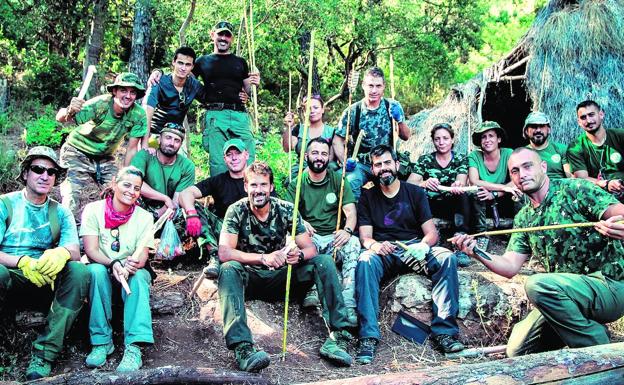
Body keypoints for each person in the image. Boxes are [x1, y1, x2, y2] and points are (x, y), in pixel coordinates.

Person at [453, 147, 624, 357]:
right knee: (517, 349)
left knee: (538, 285)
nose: (521, 174)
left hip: (610, 286)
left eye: (527, 166)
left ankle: (598, 348)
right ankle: (583, 329)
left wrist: (620, 226)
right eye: (514, 171)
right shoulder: (524, 217)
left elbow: (619, 213)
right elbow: (509, 266)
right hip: (567, 295)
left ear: (543, 167)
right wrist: (476, 252)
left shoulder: (577, 188)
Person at [218, 161, 353, 371]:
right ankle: (243, 348)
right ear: (245, 187)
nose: (258, 190)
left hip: (283, 278)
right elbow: (225, 252)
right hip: (251, 278)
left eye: (263, 185)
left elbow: (310, 250)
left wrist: (298, 256)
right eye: (253, 185)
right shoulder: (235, 211)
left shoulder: (287, 209)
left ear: (271, 187)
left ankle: (339, 336)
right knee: (228, 269)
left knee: (324, 262)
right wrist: (263, 258)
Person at [354, 144, 464, 365]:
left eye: (387, 163)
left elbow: (431, 233)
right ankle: (368, 337)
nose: (383, 168)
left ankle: (444, 332)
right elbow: (365, 237)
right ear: (373, 170)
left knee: (447, 258)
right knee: (365, 262)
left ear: (396, 164)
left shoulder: (414, 192)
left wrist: (423, 246)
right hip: (385, 252)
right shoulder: (367, 197)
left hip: (413, 248)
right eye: (377, 165)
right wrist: (375, 246)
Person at [0, 146, 89, 380]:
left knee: (79, 272)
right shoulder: (5, 204)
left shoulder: (60, 212)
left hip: (45, 279)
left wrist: (60, 254)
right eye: (38, 169)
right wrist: (21, 261)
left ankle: (44, 354)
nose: (45, 176)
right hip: (11, 276)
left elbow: (74, 251)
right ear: (26, 173)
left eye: (51, 172)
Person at [149, 21, 260, 175]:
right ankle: (222, 198)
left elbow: (248, 90)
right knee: (218, 162)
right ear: (212, 35)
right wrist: (158, 71)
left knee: (248, 159)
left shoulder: (240, 62)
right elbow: (182, 76)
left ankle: (248, 194)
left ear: (232, 39)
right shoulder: (202, 61)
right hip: (215, 115)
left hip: (239, 115)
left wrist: (253, 85)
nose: (223, 38)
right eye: (220, 34)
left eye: (227, 35)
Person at [80, 166, 155, 372]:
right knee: (94, 271)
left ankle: (134, 347)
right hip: (103, 267)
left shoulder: (144, 218)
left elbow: (143, 256)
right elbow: (91, 249)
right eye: (127, 185)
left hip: (129, 273)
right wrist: (113, 263)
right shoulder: (93, 210)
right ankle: (101, 341)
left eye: (137, 188)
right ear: (114, 183)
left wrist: (132, 264)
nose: (131, 191)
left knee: (140, 277)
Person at [284, 137, 360, 325]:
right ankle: (312, 290)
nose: (319, 157)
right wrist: (301, 222)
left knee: (354, 243)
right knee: (296, 243)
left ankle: (348, 302)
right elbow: (288, 215)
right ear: (307, 155)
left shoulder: (337, 180)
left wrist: (348, 230)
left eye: (324, 154)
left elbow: (350, 212)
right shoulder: (297, 183)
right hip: (312, 237)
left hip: (334, 237)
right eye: (315, 153)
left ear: (329, 157)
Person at [56, 72, 148, 220]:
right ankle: (67, 235)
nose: (128, 96)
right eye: (123, 90)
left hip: (106, 157)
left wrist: (127, 176)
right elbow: (61, 118)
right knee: (72, 197)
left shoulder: (138, 114)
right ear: (114, 91)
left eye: (132, 92)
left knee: (119, 192)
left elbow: (131, 149)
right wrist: (69, 110)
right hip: (77, 151)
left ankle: (112, 232)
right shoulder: (101, 104)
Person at [333, 67, 411, 200]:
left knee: (399, 187)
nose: (374, 90)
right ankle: (355, 218)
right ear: (363, 86)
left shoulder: (392, 106)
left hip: (386, 162)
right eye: (370, 85)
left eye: (378, 86)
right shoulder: (352, 111)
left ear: (383, 87)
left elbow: (406, 136)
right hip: (362, 163)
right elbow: (337, 140)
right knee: (349, 182)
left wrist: (399, 120)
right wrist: (345, 161)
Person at [179, 138, 252, 278]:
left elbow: (275, 205)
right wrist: (191, 213)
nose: (234, 157)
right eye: (229, 154)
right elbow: (185, 194)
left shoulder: (257, 180)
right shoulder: (218, 181)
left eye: (238, 153)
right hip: (223, 234)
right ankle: (214, 257)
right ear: (224, 159)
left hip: (250, 233)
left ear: (246, 155)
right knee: (193, 206)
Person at [468, 121, 522, 251]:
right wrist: (502, 187)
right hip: (484, 200)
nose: (487, 140)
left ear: (498, 139)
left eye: (491, 136)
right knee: (476, 192)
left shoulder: (509, 153)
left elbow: (517, 179)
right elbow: (474, 181)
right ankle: (482, 235)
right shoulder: (475, 156)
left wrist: (495, 193)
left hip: (505, 198)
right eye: (483, 137)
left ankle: (520, 233)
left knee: (521, 191)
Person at [409, 123, 471, 235]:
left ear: (452, 140)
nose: (441, 142)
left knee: (463, 194)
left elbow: (461, 180)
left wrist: (458, 185)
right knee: (417, 193)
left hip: (452, 205)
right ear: (433, 141)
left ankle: (460, 234)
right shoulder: (425, 159)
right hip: (429, 205)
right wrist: (424, 183)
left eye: (445, 138)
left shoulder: (461, 158)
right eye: (437, 139)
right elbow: (410, 183)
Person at [131, 122, 195, 220]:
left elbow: (177, 199)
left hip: (167, 209)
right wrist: (164, 198)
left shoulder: (187, 166)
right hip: (141, 205)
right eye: (168, 137)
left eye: (177, 140)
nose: (171, 143)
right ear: (159, 139)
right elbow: (134, 182)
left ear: (181, 144)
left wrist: (161, 212)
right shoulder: (144, 155)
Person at [143, 46, 203, 145]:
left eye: (187, 65)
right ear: (173, 62)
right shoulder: (158, 82)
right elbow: (146, 114)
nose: (183, 68)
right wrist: (144, 145)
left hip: (176, 135)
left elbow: (211, 98)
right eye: (180, 63)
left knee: (182, 159)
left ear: (192, 67)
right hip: (155, 134)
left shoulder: (194, 85)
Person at [567, 100, 624, 198]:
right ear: (579, 122)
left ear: (601, 114)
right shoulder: (575, 147)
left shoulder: (620, 136)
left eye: (591, 115)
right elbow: (582, 178)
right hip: (598, 195)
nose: (588, 121)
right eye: (583, 117)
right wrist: (606, 184)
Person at [282, 94, 336, 182]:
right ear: (304, 112)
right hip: (301, 167)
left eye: (316, 107)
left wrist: (310, 170)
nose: (312, 111)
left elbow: (331, 157)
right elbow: (287, 148)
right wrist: (288, 127)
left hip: (324, 166)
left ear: (322, 109)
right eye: (308, 109)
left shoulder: (331, 131)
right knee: (291, 182)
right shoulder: (299, 129)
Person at [523, 111, 571, 179]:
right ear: (526, 131)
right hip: (534, 188)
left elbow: (571, 177)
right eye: (534, 126)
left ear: (548, 129)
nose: (538, 130)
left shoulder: (562, 149)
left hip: (559, 187)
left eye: (542, 126)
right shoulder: (522, 154)